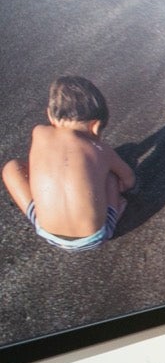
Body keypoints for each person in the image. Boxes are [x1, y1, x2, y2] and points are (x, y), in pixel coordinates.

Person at [4, 76, 134, 251]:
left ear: (50, 116)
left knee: (11, 168)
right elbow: (128, 180)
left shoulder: (39, 133)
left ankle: (43, 213)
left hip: (46, 232)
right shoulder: (100, 149)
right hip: (95, 237)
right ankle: (116, 209)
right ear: (95, 126)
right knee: (110, 176)